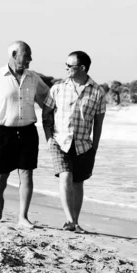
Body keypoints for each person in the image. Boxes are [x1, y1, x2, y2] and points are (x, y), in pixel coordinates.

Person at [0, 41, 49, 228]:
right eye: (27, 55)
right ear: (14, 54)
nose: (31, 59)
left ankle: (23, 217)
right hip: (3, 132)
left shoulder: (33, 78)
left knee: (26, 174)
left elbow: (48, 101)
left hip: (28, 132)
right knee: (0, 178)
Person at [42, 51, 106, 233]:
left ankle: (74, 222)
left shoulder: (98, 92)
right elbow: (46, 115)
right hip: (59, 141)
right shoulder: (58, 88)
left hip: (84, 144)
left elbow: (99, 122)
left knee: (78, 183)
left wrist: (94, 146)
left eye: (70, 66)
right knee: (65, 176)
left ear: (82, 68)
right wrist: (48, 139)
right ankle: (70, 221)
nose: (66, 69)